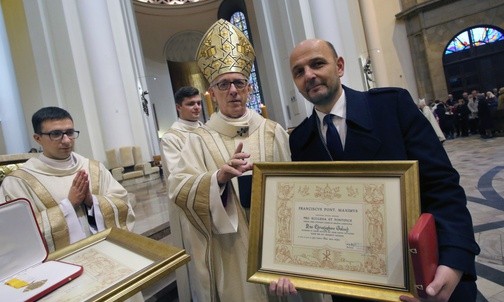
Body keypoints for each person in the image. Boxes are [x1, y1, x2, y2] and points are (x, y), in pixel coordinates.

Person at [285, 39, 480, 302]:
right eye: (299, 71)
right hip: (356, 285)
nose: (309, 75)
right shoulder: (300, 140)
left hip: (422, 272)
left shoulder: (391, 107)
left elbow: (441, 186)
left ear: (340, 66)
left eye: (317, 64)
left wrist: (454, 260)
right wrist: (290, 264)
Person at [168, 20, 321, 301]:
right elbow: (178, 189)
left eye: (239, 82)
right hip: (230, 249)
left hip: (279, 245)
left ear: (249, 89)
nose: (233, 90)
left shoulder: (273, 132)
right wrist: (218, 180)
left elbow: (300, 190)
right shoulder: (198, 140)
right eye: (223, 84)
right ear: (211, 92)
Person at [0, 106, 135, 252]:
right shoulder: (19, 182)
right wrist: (69, 205)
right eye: (56, 134)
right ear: (37, 138)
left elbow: (123, 203)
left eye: (70, 132)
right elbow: (17, 234)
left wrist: (92, 201)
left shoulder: (94, 168)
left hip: (108, 251)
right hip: (61, 264)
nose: (66, 140)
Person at [159, 86, 203, 300]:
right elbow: (178, 175)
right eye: (190, 104)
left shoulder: (208, 129)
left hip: (214, 199)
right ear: (179, 107)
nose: (196, 107)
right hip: (189, 205)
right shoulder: (171, 138)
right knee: (197, 260)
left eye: (198, 103)